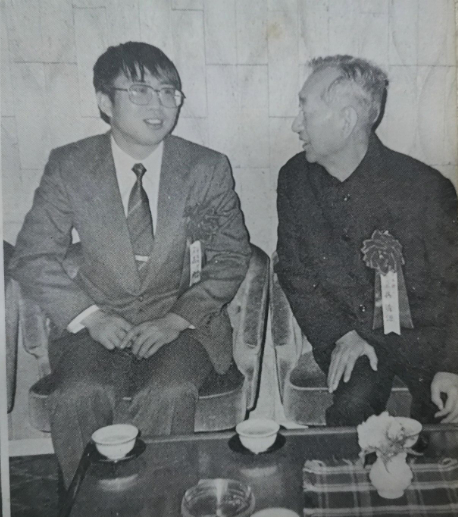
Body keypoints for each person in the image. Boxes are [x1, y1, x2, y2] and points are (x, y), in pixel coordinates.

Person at [10, 41, 250, 486]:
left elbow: (233, 255)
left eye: (168, 92)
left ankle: (158, 502)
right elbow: (32, 255)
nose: (158, 105)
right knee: (79, 393)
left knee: (169, 391)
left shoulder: (206, 167)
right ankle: (87, 501)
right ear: (105, 102)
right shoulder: (71, 165)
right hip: (98, 322)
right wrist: (90, 317)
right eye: (140, 91)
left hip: (182, 324)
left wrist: (177, 319)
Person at [275, 55, 458, 427]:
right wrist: (341, 334)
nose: (296, 124)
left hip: (423, 339)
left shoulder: (425, 189)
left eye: (305, 111)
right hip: (347, 334)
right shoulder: (295, 178)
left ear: (346, 120)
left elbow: (452, 284)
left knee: (440, 425)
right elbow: (294, 272)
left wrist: (451, 365)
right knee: (350, 411)